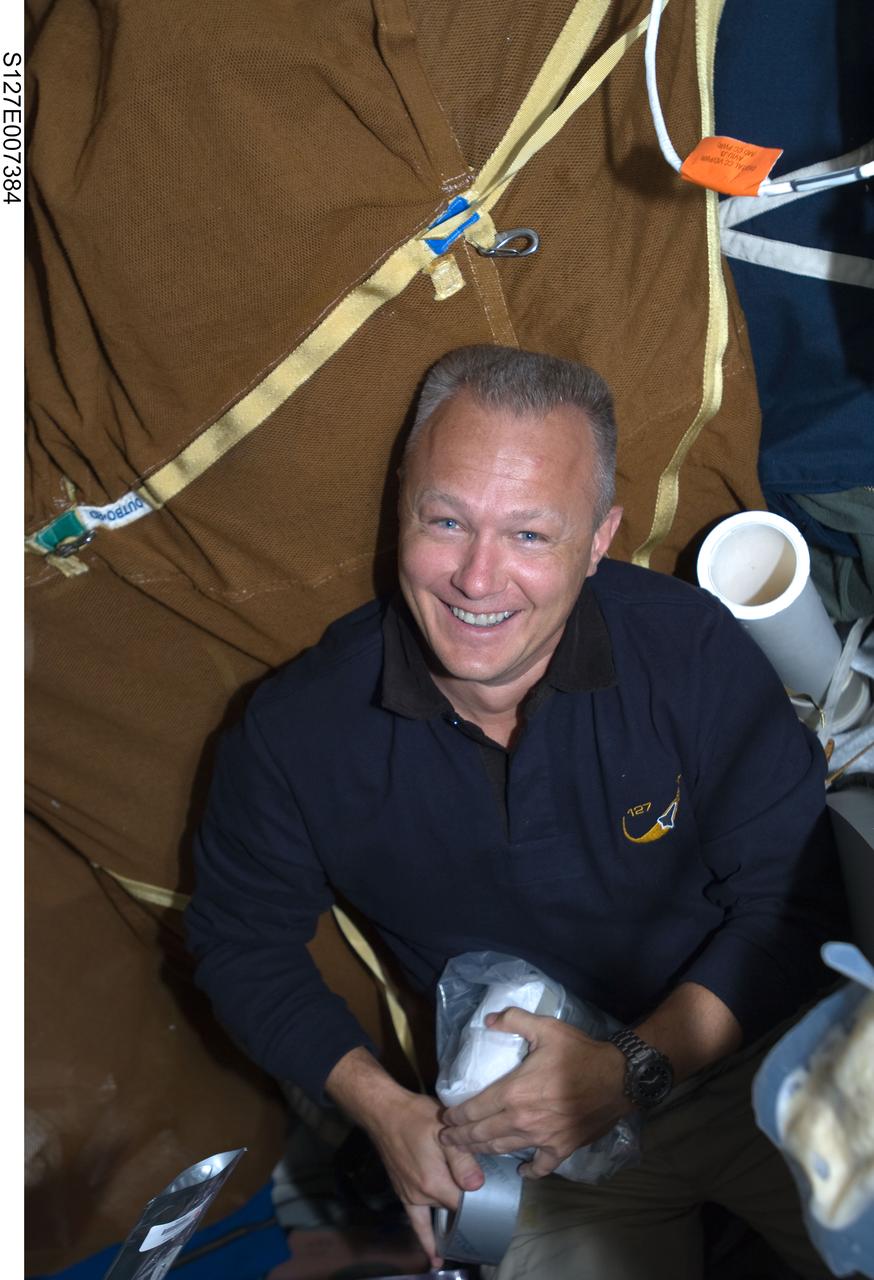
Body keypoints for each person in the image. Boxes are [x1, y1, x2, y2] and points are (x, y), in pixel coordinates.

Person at [186, 344, 847, 1279]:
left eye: (531, 535)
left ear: (600, 539)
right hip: (517, 1129)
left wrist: (628, 1067)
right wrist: (386, 1111)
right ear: (401, 511)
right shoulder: (296, 730)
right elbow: (238, 941)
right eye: (447, 520)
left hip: (757, 1056)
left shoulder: (688, 651)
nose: (477, 577)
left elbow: (796, 897)